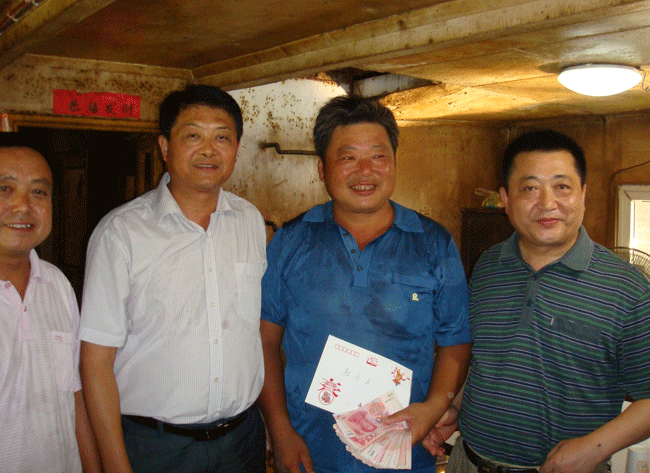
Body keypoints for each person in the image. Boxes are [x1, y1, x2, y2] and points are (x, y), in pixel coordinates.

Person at [259, 95, 472, 473]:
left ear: (394, 162)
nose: (365, 171)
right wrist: (280, 431)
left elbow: (455, 340)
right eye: (348, 157)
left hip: (404, 450)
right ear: (322, 168)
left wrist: (433, 408)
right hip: (309, 451)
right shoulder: (290, 241)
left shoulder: (434, 243)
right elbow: (264, 340)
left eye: (378, 156)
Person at [424, 129, 650, 473]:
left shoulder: (627, 288)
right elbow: (488, 358)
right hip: (467, 462)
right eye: (530, 188)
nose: (547, 203)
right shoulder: (488, 266)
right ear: (505, 198)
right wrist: (455, 407)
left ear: (583, 194)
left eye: (562, 187)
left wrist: (593, 449)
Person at [79, 84, 268, 473]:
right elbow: (95, 362)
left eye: (222, 138)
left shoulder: (250, 220)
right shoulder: (121, 233)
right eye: (193, 136)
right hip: (156, 447)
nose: (209, 150)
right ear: (165, 147)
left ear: (236, 148)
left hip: (242, 442)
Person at [0, 142, 101, 472]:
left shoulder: (56, 284)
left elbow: (74, 395)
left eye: (39, 192)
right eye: (4, 188)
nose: (22, 206)